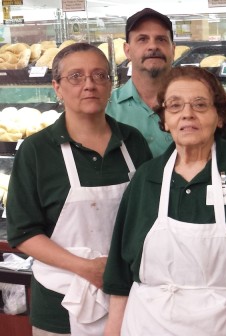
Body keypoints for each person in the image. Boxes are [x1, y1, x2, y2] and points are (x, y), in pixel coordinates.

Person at [103, 66, 226, 336]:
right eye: (175, 106)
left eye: (200, 105)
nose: (187, 114)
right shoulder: (147, 178)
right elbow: (120, 274)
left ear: (219, 117)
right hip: (152, 325)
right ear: (165, 119)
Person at [6, 43, 153, 336]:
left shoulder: (132, 142)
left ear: (110, 85)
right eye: (76, 76)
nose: (89, 85)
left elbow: (150, 215)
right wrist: (86, 267)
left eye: (100, 75)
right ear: (56, 88)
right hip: (60, 305)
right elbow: (23, 233)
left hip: (132, 296)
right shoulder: (37, 151)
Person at [106, 8, 175, 157]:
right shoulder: (106, 110)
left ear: (173, 50)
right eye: (142, 39)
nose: (153, 46)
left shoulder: (197, 108)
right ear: (127, 50)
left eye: (161, 39)